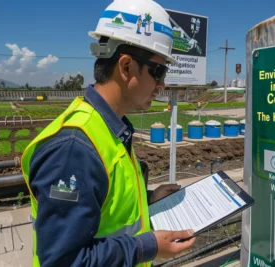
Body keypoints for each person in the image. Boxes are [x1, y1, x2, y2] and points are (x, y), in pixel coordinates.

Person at [21, 0, 196, 266]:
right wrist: (147, 246)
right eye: (157, 71)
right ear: (126, 67)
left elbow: (106, 210)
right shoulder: (73, 148)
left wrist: (148, 200)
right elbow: (62, 261)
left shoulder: (111, 129)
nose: (162, 83)